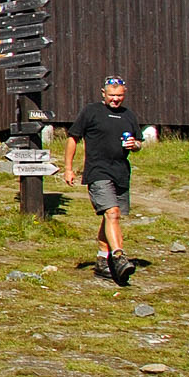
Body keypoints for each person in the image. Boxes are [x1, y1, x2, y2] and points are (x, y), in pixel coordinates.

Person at [63, 75, 144, 285]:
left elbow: (139, 143)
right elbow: (73, 138)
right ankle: (118, 255)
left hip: (121, 172)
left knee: (110, 217)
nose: (115, 100)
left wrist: (134, 145)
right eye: (111, 96)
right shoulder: (91, 111)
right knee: (112, 213)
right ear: (103, 94)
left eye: (119, 96)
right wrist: (68, 169)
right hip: (98, 171)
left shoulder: (129, 115)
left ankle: (102, 260)